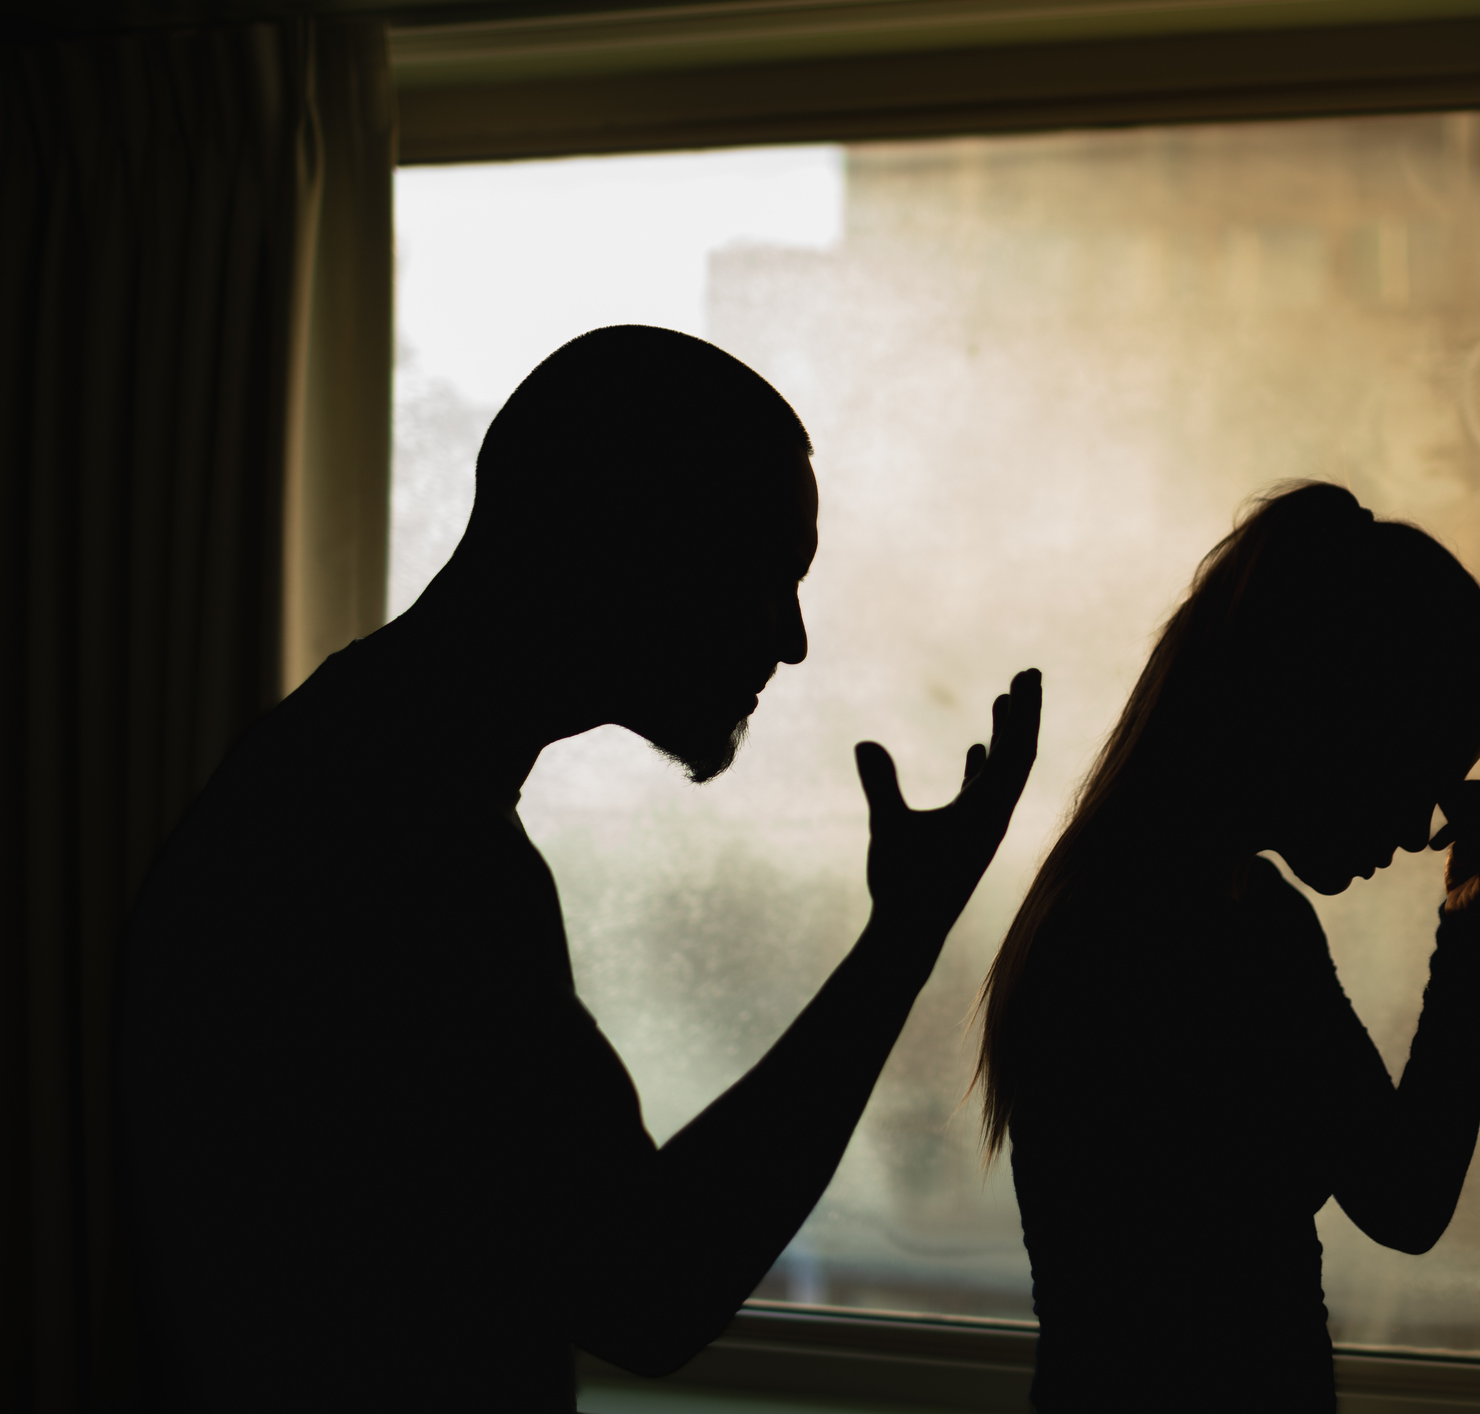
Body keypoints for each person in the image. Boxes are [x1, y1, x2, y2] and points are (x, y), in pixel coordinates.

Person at [115, 326, 1042, 1412]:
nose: (791, 639)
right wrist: (903, 938)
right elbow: (650, 1286)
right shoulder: (399, 842)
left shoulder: (349, 774)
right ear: (626, 541)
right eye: (766, 572)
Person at [973, 481, 1480, 1411]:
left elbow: (1402, 1199)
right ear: (1339, 715)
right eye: (1424, 774)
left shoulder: (1193, 912)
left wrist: (1471, 925)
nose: (1418, 831)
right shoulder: (1207, 936)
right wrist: (1470, 933)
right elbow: (1403, 1200)